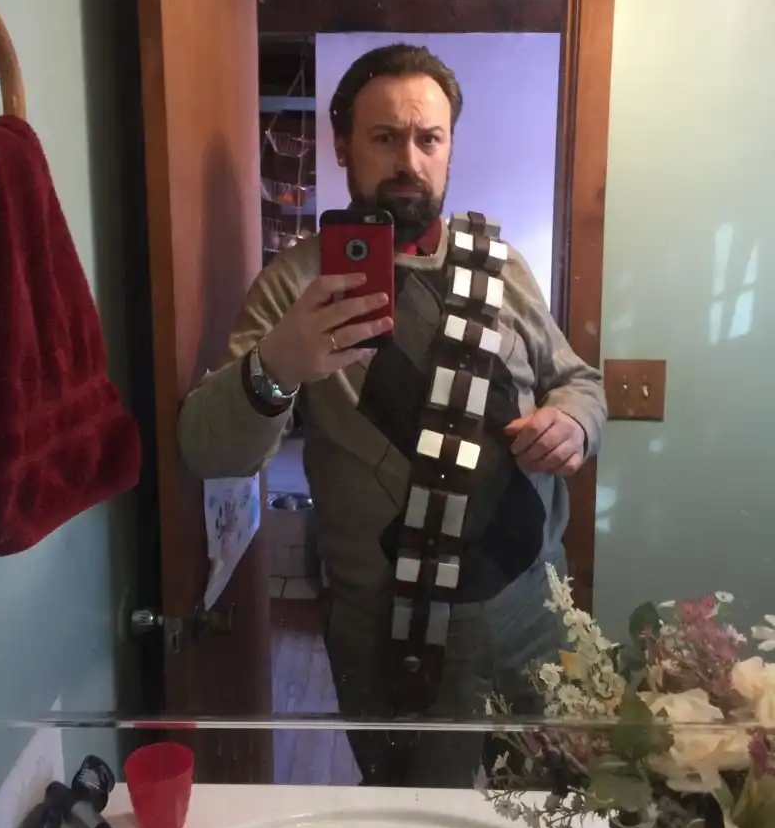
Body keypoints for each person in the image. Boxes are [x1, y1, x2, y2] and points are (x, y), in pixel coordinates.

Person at [177, 44, 607, 786]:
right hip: (395, 634)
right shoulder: (296, 284)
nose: (410, 159)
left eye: (428, 138)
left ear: (449, 148)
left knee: (566, 812)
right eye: (385, 137)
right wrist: (278, 365)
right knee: (415, 825)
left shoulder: (501, 266)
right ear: (343, 145)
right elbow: (209, 450)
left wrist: (572, 420)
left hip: (534, 607)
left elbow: (578, 380)